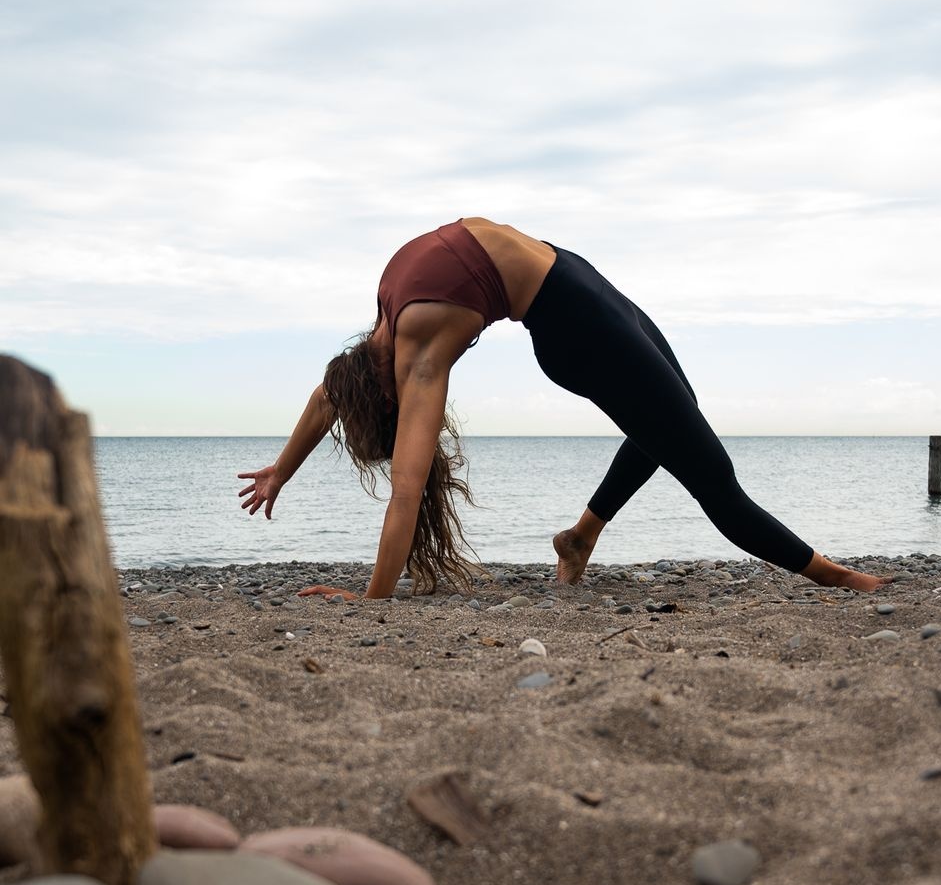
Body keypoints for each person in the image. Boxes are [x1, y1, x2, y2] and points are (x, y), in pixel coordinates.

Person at [237, 217, 888, 599]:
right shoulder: (409, 339)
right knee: (712, 474)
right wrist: (373, 600)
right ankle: (838, 578)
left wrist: (279, 470)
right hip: (575, 326)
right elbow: (407, 492)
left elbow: (327, 395)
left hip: (572, 282)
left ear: (375, 391)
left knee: (671, 420)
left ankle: (579, 537)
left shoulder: (389, 329)